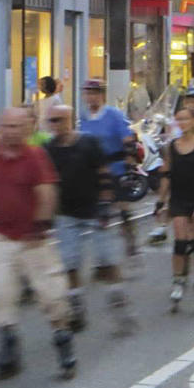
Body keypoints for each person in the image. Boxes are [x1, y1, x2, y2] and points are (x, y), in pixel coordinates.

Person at [0, 108, 75, 380]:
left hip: (32, 237)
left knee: (52, 294)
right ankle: (8, 348)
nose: (10, 131)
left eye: (16, 126)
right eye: (5, 126)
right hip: (0, 235)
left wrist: (41, 224)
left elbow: (47, 192)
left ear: (27, 129)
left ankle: (63, 344)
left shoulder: (35, 156)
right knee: (0, 292)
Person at [47, 106, 135, 334]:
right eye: (51, 121)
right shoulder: (49, 148)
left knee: (106, 259)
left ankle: (119, 305)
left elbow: (103, 172)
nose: (55, 125)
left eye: (59, 120)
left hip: (95, 209)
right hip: (66, 213)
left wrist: (106, 203)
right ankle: (76, 306)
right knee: (69, 262)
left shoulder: (88, 143)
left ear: (70, 120)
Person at [160, 105, 194, 312]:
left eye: (185, 119)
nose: (181, 123)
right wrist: (160, 201)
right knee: (180, 243)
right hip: (178, 199)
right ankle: (178, 281)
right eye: (178, 120)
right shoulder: (171, 147)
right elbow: (166, 176)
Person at [78, 78, 138, 257]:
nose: (91, 98)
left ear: (102, 95)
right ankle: (102, 254)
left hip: (116, 167)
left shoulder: (114, 115)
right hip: (94, 171)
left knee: (123, 208)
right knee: (98, 211)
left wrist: (129, 168)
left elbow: (128, 141)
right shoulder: (83, 117)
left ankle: (130, 240)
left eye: (95, 94)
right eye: (88, 94)